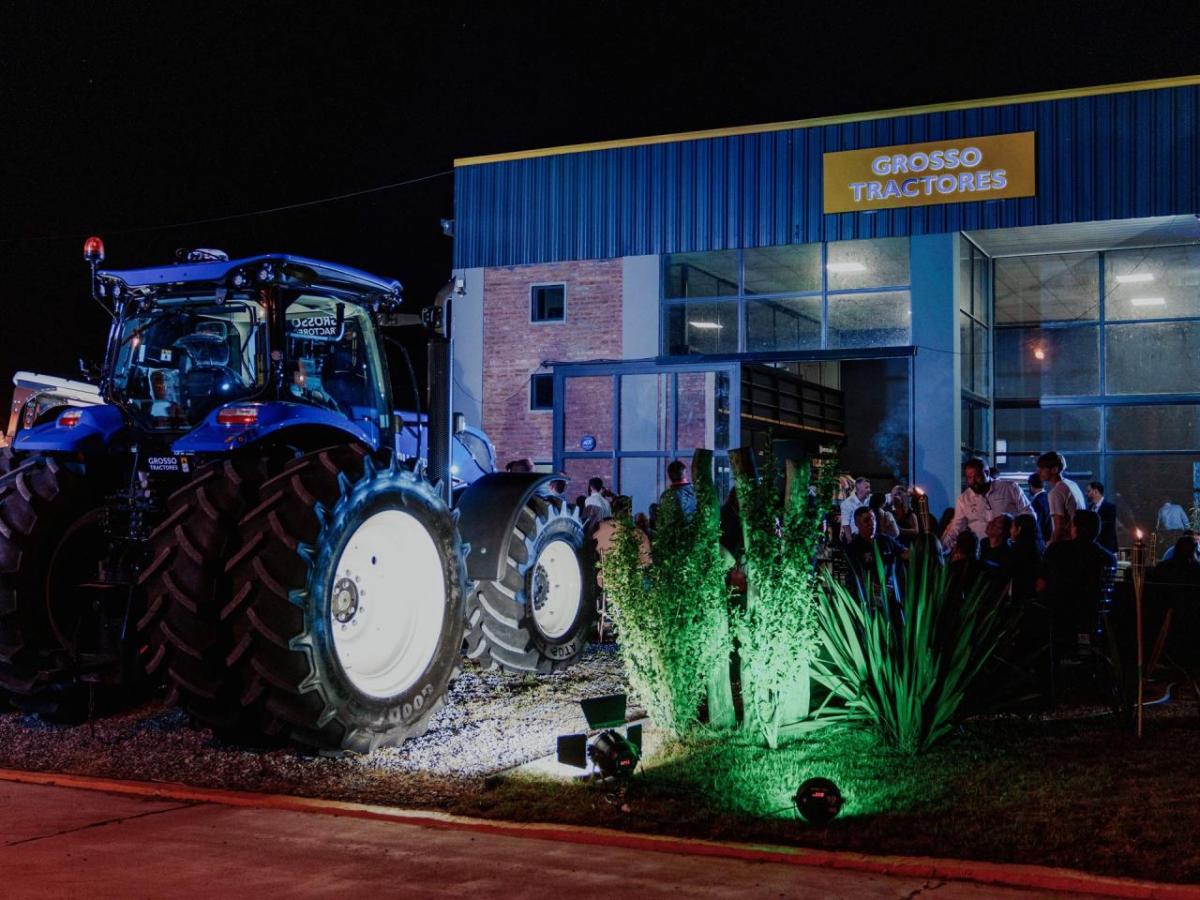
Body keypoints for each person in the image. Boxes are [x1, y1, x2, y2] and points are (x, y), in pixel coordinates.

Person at [1038, 510, 1117, 654]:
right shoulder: (1108, 558)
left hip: (1058, 616)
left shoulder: (1055, 550)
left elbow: (1040, 585)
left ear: (1075, 527)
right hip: (1092, 617)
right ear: (1097, 530)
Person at [942, 458, 1030, 548]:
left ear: (987, 473)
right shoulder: (964, 500)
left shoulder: (1009, 488)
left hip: (1011, 548)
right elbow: (956, 528)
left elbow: (1028, 515)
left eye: (977, 476)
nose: (973, 482)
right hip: (983, 551)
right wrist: (942, 548)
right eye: (969, 478)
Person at [844, 506, 908, 608]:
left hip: (891, 591)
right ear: (857, 524)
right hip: (868, 594)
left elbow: (904, 553)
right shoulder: (853, 547)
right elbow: (856, 576)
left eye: (873, 519)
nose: (872, 523)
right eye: (867, 520)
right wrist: (877, 588)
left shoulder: (885, 540)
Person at [1036, 451, 1086, 547]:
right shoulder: (1072, 485)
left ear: (1054, 469)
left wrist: (1049, 546)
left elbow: (1059, 527)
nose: (1038, 472)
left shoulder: (1056, 492)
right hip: (1080, 542)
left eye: (1042, 468)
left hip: (1066, 545)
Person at [1009, 513, 1045, 604]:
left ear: (1019, 529)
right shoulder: (1038, 547)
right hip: (1032, 595)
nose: (1010, 530)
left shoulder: (1017, 549)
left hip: (1020, 594)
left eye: (1012, 527)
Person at [1085, 481, 1118, 554]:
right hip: (1093, 550)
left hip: (1106, 549)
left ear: (1095, 491)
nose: (1086, 494)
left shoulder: (1110, 508)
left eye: (1088, 491)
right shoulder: (1090, 508)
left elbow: (1109, 529)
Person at [839, 477, 871, 544]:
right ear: (858, 488)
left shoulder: (871, 500)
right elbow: (846, 524)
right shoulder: (847, 503)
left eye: (869, 487)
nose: (869, 490)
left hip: (869, 537)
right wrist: (850, 541)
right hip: (856, 538)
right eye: (866, 487)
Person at [1027, 473, 1052, 544]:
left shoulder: (1036, 502)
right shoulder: (1049, 497)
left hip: (1042, 540)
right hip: (1049, 537)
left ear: (1031, 486)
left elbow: (1038, 524)